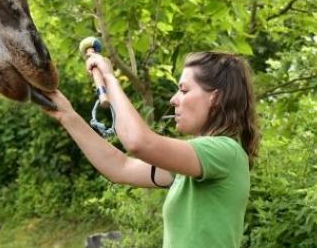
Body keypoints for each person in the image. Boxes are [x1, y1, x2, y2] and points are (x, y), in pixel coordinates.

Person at [43, 51, 259, 248]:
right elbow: (120, 166)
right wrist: (66, 114)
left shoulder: (224, 151)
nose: (174, 99)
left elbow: (139, 143)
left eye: (184, 90)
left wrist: (109, 79)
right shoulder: (191, 166)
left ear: (216, 97)